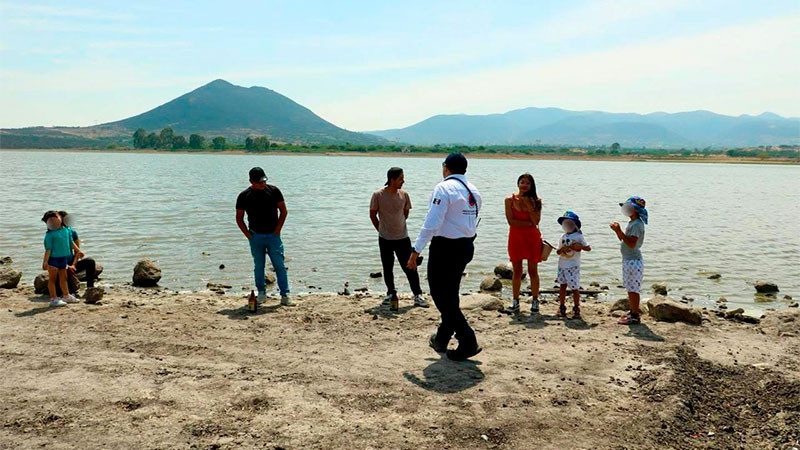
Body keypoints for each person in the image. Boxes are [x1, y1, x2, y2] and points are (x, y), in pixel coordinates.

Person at [408, 153, 482, 361]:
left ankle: (468, 339)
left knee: (440, 295)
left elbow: (432, 222)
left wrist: (416, 250)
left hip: (446, 247)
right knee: (450, 293)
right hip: (466, 246)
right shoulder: (474, 190)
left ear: (446, 168)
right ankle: (441, 337)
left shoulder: (444, 188)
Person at [370, 167, 428, 310]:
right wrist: (381, 229)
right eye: (401, 178)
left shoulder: (404, 195)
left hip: (402, 237)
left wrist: (397, 227)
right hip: (384, 238)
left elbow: (405, 213)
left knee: (410, 266)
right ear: (392, 180)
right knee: (387, 267)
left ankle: (417, 295)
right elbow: (373, 215)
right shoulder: (378, 195)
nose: (403, 181)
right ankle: (390, 293)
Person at [235, 167, 294, 307]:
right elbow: (239, 218)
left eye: (264, 180)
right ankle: (261, 293)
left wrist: (277, 231)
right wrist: (249, 236)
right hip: (256, 236)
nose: (263, 184)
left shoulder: (274, 191)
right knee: (259, 266)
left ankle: (285, 295)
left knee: (279, 265)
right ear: (251, 181)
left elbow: (284, 211)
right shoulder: (244, 196)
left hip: (273, 236)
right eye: (259, 182)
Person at [504, 173, 543, 313]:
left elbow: (536, 221)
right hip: (515, 238)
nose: (524, 185)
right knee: (517, 271)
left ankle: (535, 301)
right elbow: (511, 221)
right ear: (518, 184)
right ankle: (515, 301)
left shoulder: (536, 201)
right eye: (522, 182)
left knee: (533, 271)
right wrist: (529, 223)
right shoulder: (509, 200)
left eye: (527, 183)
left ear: (532, 186)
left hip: (532, 238)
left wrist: (528, 205)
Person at [611, 196, 647, 325]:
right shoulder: (633, 223)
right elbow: (624, 239)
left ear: (635, 210)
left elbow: (631, 243)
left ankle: (635, 315)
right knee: (630, 287)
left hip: (633, 260)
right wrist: (617, 231)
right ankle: (633, 311)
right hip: (628, 259)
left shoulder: (637, 224)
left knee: (633, 289)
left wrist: (619, 230)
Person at [41, 210, 82, 307]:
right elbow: (48, 250)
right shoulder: (49, 235)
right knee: (52, 279)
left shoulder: (66, 230)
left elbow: (71, 242)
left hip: (63, 258)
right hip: (53, 259)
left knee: (64, 278)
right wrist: (45, 262)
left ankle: (66, 295)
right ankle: (53, 298)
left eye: (55, 219)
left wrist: (78, 250)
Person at [555, 211, 591, 318]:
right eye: (565, 223)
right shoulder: (562, 236)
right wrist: (562, 249)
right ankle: (562, 306)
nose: (567, 226)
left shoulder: (579, 236)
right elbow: (558, 251)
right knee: (562, 286)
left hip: (573, 265)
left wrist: (580, 247)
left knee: (575, 288)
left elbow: (588, 248)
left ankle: (576, 308)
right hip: (562, 265)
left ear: (575, 225)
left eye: (569, 223)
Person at [58, 211, 98, 295]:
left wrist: (73, 265)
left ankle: (90, 288)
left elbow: (77, 252)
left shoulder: (72, 232)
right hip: (60, 266)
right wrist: (66, 266)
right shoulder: (54, 234)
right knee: (70, 289)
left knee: (90, 261)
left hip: (72, 264)